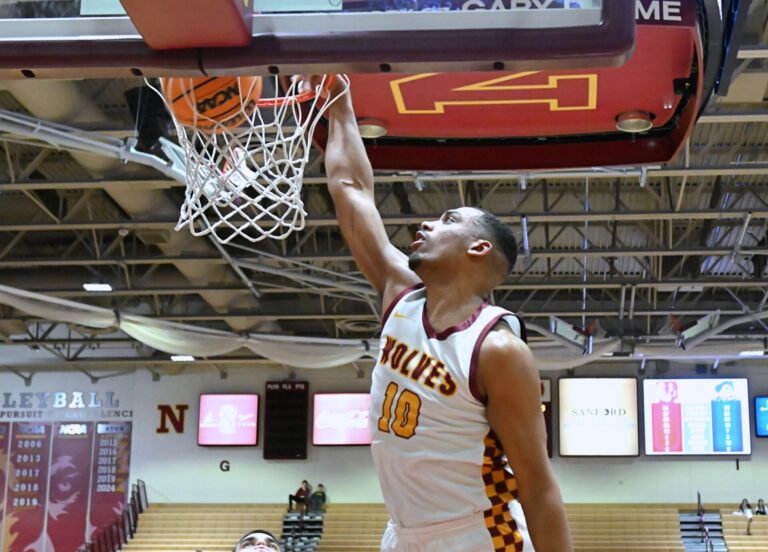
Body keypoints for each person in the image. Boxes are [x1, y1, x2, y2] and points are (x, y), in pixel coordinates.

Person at [318, 75, 572, 552]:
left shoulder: (497, 349)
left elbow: (538, 486)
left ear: (480, 247)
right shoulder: (401, 295)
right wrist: (340, 101)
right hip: (403, 534)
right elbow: (350, 187)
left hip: (477, 533)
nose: (427, 224)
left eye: (448, 220)